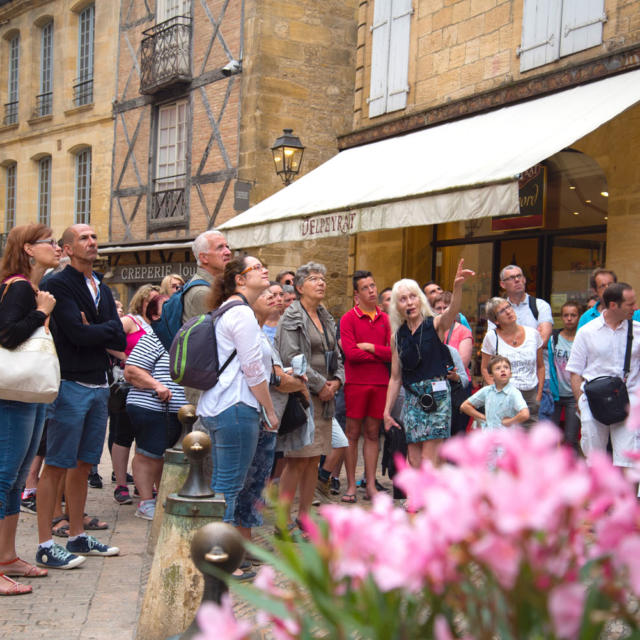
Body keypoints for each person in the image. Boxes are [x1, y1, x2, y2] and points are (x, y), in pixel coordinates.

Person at [36, 224, 125, 569]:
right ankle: (45, 542)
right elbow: (75, 332)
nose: (92, 242)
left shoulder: (99, 283)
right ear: (68, 248)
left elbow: (117, 335)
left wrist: (97, 329)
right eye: (84, 238)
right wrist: (98, 330)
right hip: (70, 383)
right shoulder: (58, 283)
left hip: (99, 383)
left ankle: (76, 535)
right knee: (57, 462)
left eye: (94, 237)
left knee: (84, 463)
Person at [0, 224, 60, 594]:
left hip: (28, 393)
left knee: (16, 478)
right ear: (28, 248)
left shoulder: (30, 288)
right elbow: (7, 334)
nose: (56, 247)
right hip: (13, 394)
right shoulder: (19, 286)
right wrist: (41, 312)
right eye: (49, 242)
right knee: (5, 476)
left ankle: (7, 557)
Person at [198, 256, 278, 529]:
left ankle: (219, 553)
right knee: (230, 488)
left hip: (221, 405)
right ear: (240, 280)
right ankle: (221, 557)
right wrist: (269, 409)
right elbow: (253, 370)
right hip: (236, 406)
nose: (264, 269)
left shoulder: (226, 309)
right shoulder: (241, 313)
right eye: (257, 267)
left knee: (223, 485)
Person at [233, 287, 309, 574]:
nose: (277, 300)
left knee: (255, 484)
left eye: (279, 296)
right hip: (258, 414)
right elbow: (270, 376)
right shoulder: (252, 330)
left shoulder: (264, 331)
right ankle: (237, 550)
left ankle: (247, 545)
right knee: (246, 483)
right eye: (269, 296)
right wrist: (296, 384)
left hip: (266, 415)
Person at [384, 259, 475, 468]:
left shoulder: (434, 324)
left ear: (420, 300)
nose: (409, 302)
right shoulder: (397, 336)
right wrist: (387, 411)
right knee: (414, 458)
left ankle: (425, 499)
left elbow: (452, 312)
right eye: (403, 299)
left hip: (437, 395)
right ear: (397, 306)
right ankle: (419, 496)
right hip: (412, 398)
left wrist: (457, 287)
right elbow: (395, 377)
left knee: (428, 458)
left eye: (413, 297)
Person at [276, 262, 345, 527]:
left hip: (326, 397)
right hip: (304, 395)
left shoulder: (325, 315)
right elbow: (291, 357)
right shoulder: (292, 316)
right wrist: (320, 385)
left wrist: (337, 380)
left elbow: (336, 353)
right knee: (297, 461)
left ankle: (304, 517)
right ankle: (282, 523)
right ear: (300, 286)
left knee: (313, 460)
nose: (321, 283)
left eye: (323, 278)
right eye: (315, 278)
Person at [124, 295, 186, 521]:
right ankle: (145, 501)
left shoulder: (184, 337)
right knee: (148, 454)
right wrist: (156, 385)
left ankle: (162, 498)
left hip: (178, 411)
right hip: (152, 406)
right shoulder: (154, 338)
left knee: (166, 457)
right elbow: (131, 370)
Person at [567, 283, 640, 468]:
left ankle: (627, 498)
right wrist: (581, 403)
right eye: (630, 304)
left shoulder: (638, 330)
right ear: (613, 305)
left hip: (629, 401)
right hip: (593, 401)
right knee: (595, 461)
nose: (635, 308)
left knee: (628, 461)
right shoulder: (586, 332)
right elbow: (575, 372)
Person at [340, 270, 391, 503]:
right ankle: (350, 484)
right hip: (356, 383)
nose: (372, 290)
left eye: (373, 285)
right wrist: (379, 356)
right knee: (352, 434)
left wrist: (371, 347)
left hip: (380, 383)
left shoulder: (387, 319)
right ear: (356, 294)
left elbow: (393, 354)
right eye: (366, 287)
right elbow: (350, 353)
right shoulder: (348, 318)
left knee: (372, 434)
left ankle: (370, 484)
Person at [111, 284, 160, 506]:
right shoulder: (130, 321)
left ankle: (145, 486)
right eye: (151, 299)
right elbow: (108, 341)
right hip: (129, 382)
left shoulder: (159, 325)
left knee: (146, 438)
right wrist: (127, 358)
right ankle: (121, 483)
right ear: (142, 301)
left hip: (151, 386)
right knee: (123, 435)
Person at [488, 265, 553, 420]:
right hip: (506, 380)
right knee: (508, 435)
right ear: (503, 284)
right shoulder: (498, 309)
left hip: (537, 378)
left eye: (519, 276)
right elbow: (493, 345)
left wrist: (509, 340)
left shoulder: (540, 306)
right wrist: (532, 336)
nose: (517, 280)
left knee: (537, 433)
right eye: (511, 278)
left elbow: (542, 340)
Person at [481, 297, 544, 428]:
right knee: (505, 441)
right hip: (505, 395)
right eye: (502, 311)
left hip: (529, 395)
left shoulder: (533, 334)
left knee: (529, 441)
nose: (509, 311)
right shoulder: (492, 337)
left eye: (508, 307)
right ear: (496, 320)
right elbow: (485, 369)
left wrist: (538, 395)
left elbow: (541, 366)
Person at [461, 356, 529, 430]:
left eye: (506, 367)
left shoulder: (514, 392)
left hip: (507, 437)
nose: (503, 370)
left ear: (510, 374)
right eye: (498, 368)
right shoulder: (487, 390)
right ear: (491, 375)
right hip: (489, 436)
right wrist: (483, 417)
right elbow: (465, 406)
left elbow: (525, 414)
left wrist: (510, 421)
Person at [548, 301, 581, 454]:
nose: (569, 318)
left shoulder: (582, 339)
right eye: (566, 315)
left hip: (574, 396)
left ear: (579, 317)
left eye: (573, 315)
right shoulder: (553, 338)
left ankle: (573, 471)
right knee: (551, 438)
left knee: (570, 438)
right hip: (555, 394)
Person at [183, 230, 232, 323]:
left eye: (227, 247)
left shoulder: (214, 286)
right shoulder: (202, 292)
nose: (228, 252)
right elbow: (218, 332)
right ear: (204, 258)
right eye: (220, 248)